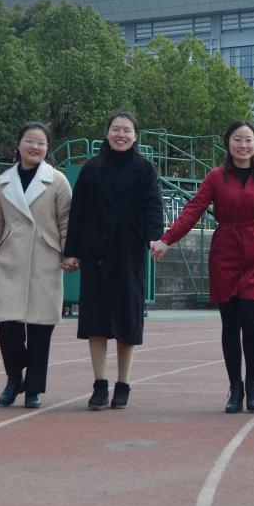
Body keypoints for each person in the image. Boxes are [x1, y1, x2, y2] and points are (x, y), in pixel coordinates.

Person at [151, 120, 254, 414]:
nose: (243, 145)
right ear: (227, 144)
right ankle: (235, 387)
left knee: (250, 320)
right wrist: (167, 239)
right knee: (230, 323)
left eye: (248, 140)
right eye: (237, 139)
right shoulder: (216, 177)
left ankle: (253, 383)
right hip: (225, 253)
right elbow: (193, 210)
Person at [62, 112, 164, 410]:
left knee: (127, 321)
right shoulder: (91, 169)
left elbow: (153, 206)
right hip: (96, 253)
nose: (121, 135)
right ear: (106, 133)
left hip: (129, 253)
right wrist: (72, 251)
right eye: (116, 129)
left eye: (127, 130)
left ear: (135, 136)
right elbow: (78, 212)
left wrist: (155, 237)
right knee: (96, 321)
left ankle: (123, 384)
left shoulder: (145, 169)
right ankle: (99, 384)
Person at [0, 122, 72, 409]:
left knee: (41, 330)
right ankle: (13, 378)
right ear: (18, 145)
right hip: (11, 261)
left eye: (41, 143)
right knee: (7, 327)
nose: (35, 147)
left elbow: (67, 222)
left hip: (45, 259)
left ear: (47, 148)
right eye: (30, 141)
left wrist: (69, 254)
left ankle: (33, 389)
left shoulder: (57, 181)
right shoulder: (3, 182)